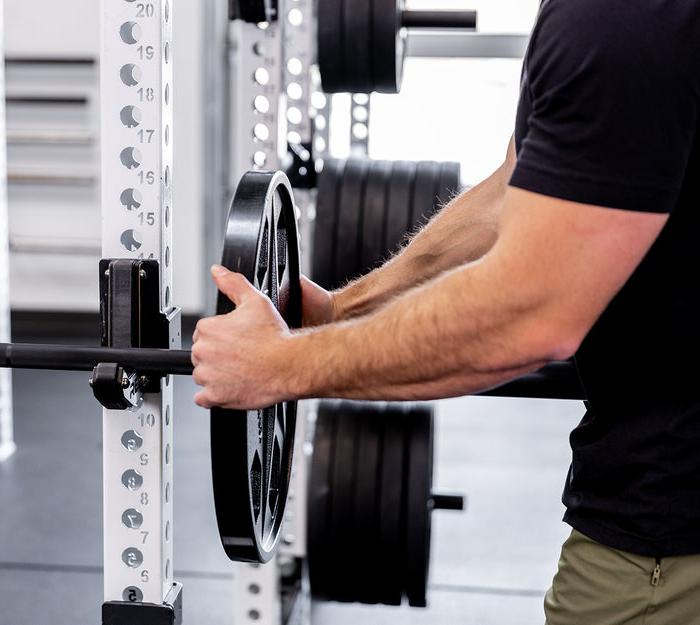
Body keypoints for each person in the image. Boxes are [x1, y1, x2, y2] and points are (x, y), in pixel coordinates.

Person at [191, 0, 700, 623]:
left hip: (671, 539)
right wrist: (343, 310)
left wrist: (281, 365)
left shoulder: (619, 19)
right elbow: (517, 186)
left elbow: (530, 313)